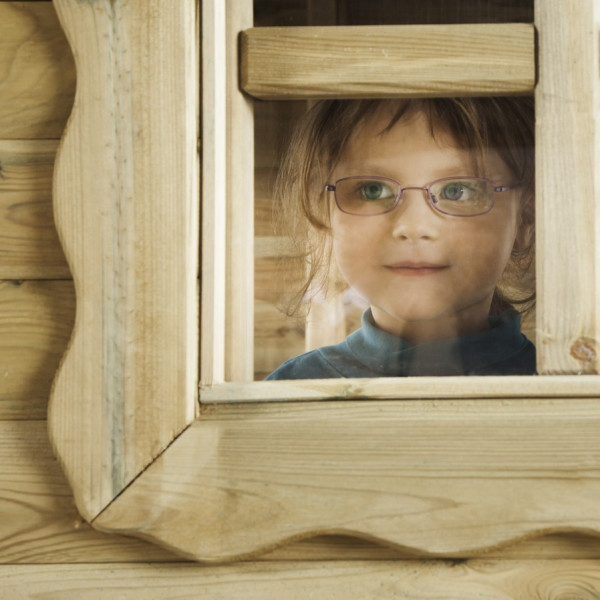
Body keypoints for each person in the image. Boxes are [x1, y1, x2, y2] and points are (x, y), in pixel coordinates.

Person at [266, 97, 535, 379]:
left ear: (525, 218)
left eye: (458, 191)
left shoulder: (566, 393)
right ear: (324, 211)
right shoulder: (286, 391)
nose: (413, 226)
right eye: (372, 189)